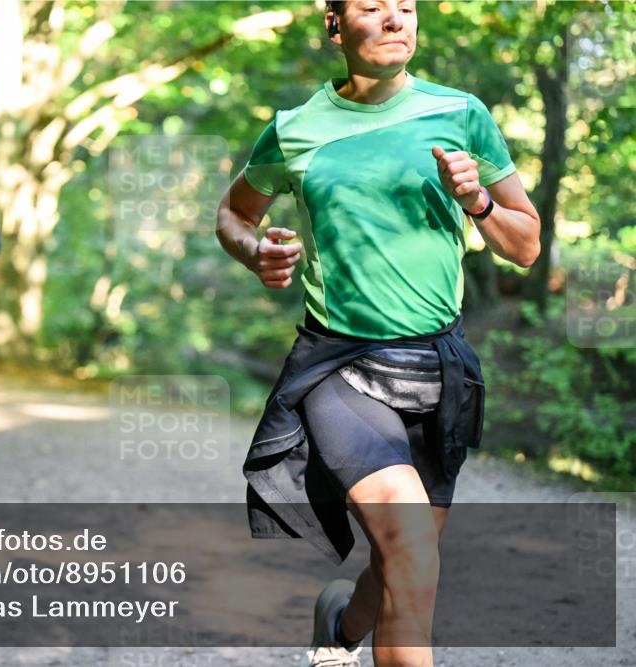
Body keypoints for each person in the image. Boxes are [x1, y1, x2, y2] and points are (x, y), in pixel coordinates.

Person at [215, 1, 540, 666]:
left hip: (438, 365)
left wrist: (478, 202)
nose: (396, 20)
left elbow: (527, 243)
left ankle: (338, 626)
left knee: (404, 568)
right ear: (335, 26)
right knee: (413, 552)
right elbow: (233, 212)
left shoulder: (461, 113)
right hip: (341, 366)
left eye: (408, 7)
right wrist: (257, 253)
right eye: (373, 7)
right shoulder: (295, 130)